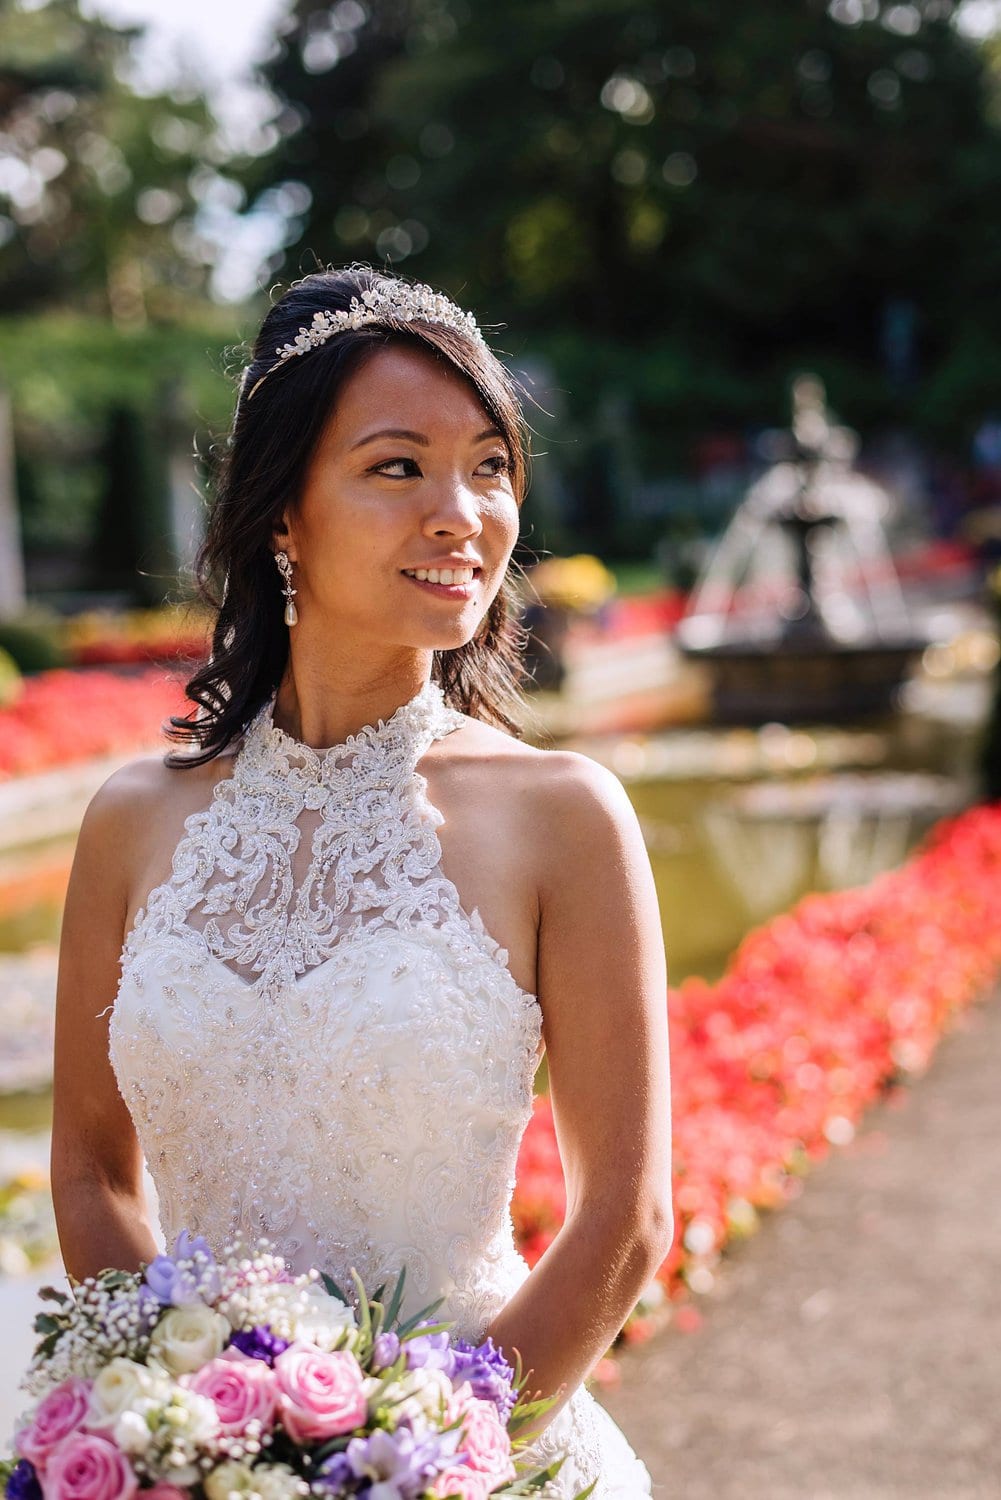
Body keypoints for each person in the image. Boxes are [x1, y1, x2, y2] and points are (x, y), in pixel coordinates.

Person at [50, 265, 674, 1498]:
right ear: (281, 512)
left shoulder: (564, 818)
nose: (462, 513)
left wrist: (417, 1468)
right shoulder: (128, 822)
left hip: (488, 1466)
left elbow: (624, 1217)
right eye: (399, 466)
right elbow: (89, 1167)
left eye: (488, 466)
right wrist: (184, 1436)